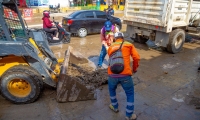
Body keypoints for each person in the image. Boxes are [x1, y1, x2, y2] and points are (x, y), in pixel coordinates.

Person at [107, 32, 140, 120]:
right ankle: (129, 115)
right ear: (123, 38)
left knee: (112, 90)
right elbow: (136, 57)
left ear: (115, 38)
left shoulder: (111, 47)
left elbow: (111, 59)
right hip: (125, 74)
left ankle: (114, 106)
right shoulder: (129, 45)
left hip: (112, 74)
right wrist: (134, 68)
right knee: (130, 93)